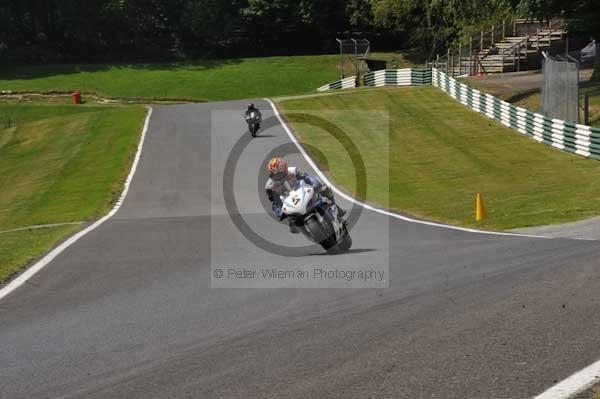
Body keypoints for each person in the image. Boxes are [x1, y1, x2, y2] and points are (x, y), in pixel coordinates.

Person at [265, 157, 344, 233]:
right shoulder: (269, 186)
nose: (277, 175)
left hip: (302, 193)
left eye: (279, 172)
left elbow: (308, 177)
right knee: (289, 218)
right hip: (288, 202)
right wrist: (279, 212)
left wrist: (315, 184)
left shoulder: (293, 171)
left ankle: (336, 207)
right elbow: (274, 202)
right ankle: (297, 227)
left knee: (324, 189)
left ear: (285, 169)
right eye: (274, 174)